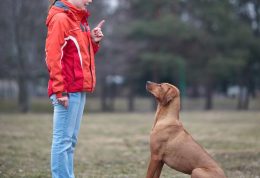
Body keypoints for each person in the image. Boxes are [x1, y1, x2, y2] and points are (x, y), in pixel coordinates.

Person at [45, 0, 104, 177]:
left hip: (77, 89)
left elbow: (79, 57)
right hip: (66, 91)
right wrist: (59, 90)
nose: (90, 1)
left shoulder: (78, 20)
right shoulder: (61, 19)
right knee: (62, 141)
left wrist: (93, 41)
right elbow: (52, 56)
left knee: (70, 141)